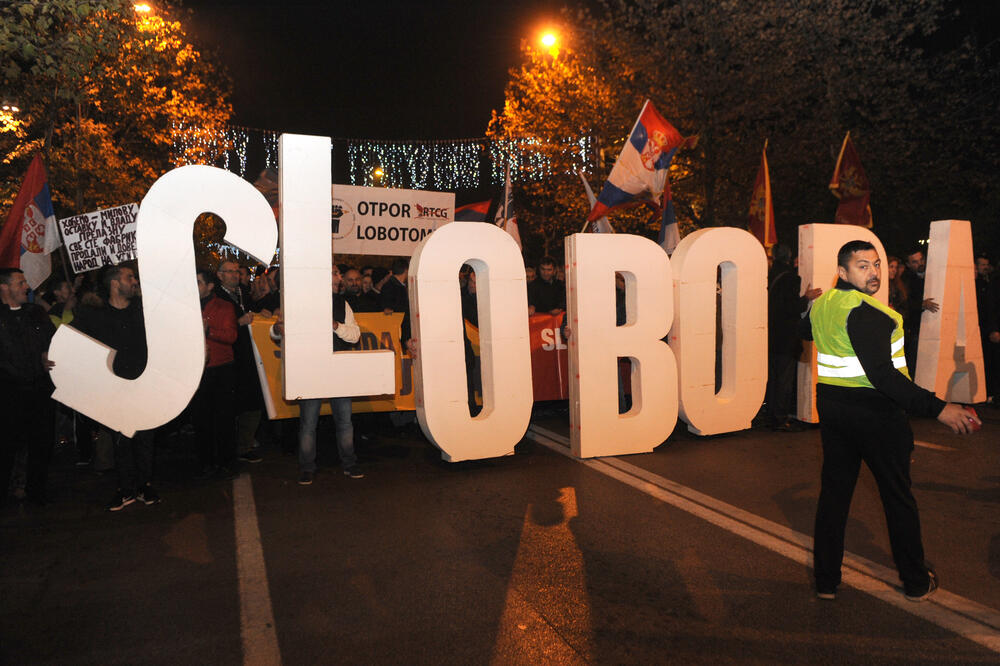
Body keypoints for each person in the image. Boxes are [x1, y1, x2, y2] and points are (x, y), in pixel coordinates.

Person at [798, 240, 979, 601]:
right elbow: (884, 377)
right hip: (877, 416)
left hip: (834, 414)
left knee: (834, 497)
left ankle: (826, 581)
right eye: (862, 266)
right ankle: (915, 581)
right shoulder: (872, 314)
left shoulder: (824, 304)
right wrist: (940, 409)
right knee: (898, 499)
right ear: (842, 271)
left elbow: (804, 332)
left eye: (876, 264)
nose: (874, 272)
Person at [73, 264, 161, 511]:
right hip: (113, 387)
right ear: (114, 283)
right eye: (129, 277)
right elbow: (72, 341)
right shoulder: (93, 315)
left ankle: (144, 485)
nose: (134, 281)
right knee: (121, 440)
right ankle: (126, 489)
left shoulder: (144, 309)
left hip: (145, 384)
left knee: (145, 437)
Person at [271, 264, 363, 484]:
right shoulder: (300, 301)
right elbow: (275, 331)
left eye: (338, 273)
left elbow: (355, 335)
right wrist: (277, 329)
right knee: (308, 422)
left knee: (344, 421)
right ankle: (307, 467)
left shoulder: (342, 304)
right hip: (310, 368)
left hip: (337, 369)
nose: (339, 277)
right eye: (335, 273)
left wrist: (335, 326)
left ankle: (349, 463)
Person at [0, 268, 56, 506]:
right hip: (8, 393)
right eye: (20, 282)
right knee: (6, 445)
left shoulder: (36, 313)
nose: (26, 287)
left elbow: (52, 341)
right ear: (4, 287)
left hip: (39, 390)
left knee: (41, 443)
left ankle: (37, 493)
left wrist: (48, 353)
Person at [214, 260, 263, 463]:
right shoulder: (216, 296)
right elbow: (214, 326)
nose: (235, 275)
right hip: (227, 357)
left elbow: (252, 312)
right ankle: (228, 448)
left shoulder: (244, 292)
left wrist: (262, 313)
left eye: (237, 271)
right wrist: (238, 322)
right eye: (230, 271)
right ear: (220, 275)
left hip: (248, 356)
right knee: (230, 405)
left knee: (252, 401)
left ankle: (245, 445)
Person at [192, 269, 239, 479]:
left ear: (210, 286)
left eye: (198, 282)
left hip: (221, 369)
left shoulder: (224, 306)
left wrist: (208, 331)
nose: (194, 286)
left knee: (223, 417)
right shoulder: (187, 306)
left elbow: (231, 336)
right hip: (196, 369)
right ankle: (206, 462)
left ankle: (226, 461)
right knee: (201, 418)